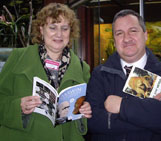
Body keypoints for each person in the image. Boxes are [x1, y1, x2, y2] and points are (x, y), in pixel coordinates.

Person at [86, 9, 161, 141]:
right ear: (114, 40)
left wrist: (122, 106)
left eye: (133, 31)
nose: (127, 38)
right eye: (119, 33)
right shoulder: (100, 74)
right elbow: (93, 122)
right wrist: (151, 112)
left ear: (145, 35)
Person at [0, 3, 92, 141]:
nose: (59, 34)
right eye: (53, 27)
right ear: (41, 30)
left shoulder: (82, 67)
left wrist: (86, 109)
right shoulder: (18, 58)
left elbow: (89, 110)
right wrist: (18, 107)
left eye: (64, 28)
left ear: (70, 32)